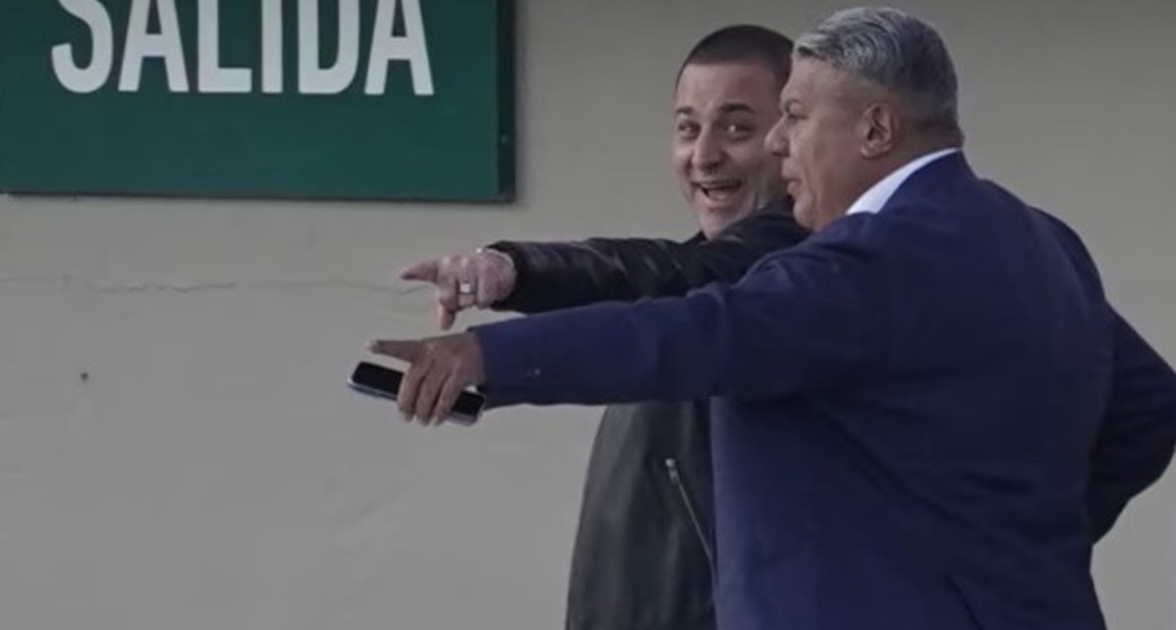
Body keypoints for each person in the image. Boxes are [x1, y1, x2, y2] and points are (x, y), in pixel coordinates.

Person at [373, 7, 1176, 630]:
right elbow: (1150, 405)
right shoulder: (1041, 239)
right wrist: (1015, 550)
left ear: (876, 129)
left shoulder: (871, 260)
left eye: (795, 115)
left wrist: (488, 357)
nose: (780, 143)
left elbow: (701, 329)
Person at [398, 26, 807, 630]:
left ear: (791, 138)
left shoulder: (792, 269)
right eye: (688, 128)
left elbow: (655, 273)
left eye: (736, 129)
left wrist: (516, 274)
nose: (704, 155)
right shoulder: (699, 272)